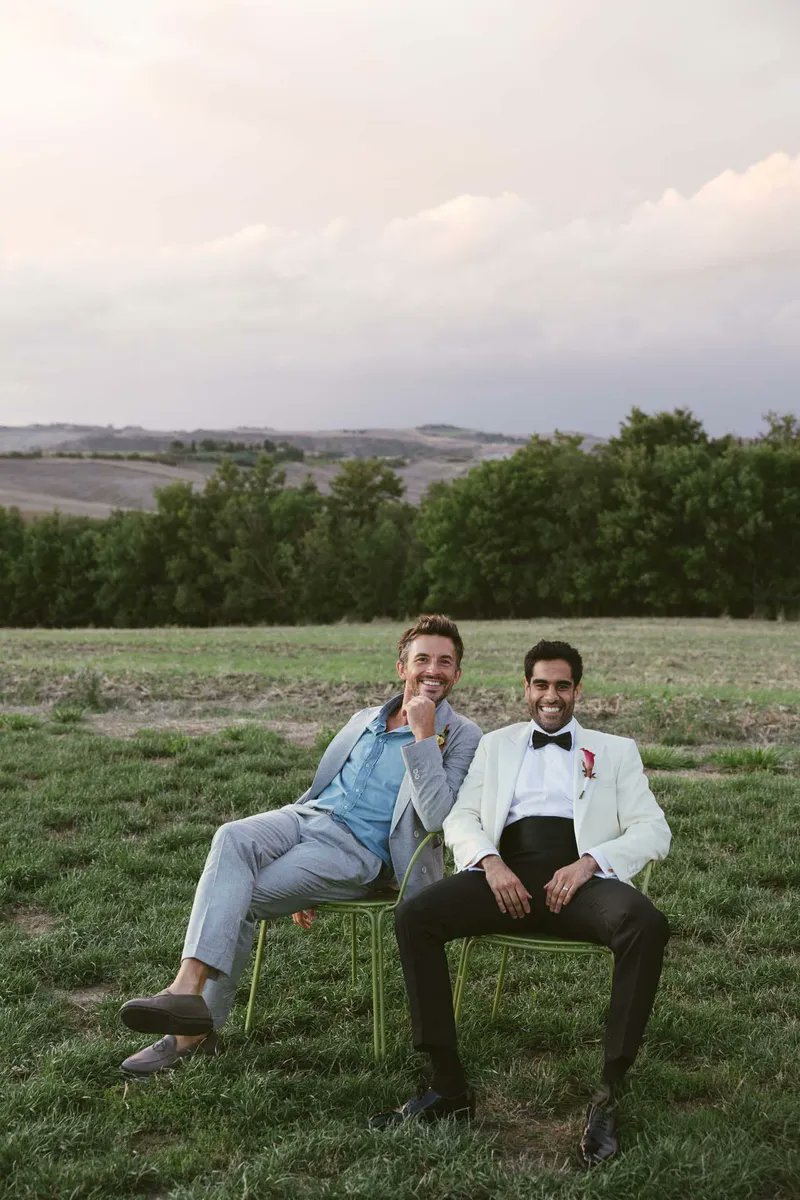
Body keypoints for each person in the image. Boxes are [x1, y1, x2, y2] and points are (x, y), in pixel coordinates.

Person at [119, 614, 482, 1077]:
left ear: (457, 674)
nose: (433, 670)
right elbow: (325, 787)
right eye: (423, 659)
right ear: (401, 668)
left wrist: (424, 736)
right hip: (305, 817)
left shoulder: (464, 735)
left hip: (358, 851)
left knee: (239, 896)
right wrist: (291, 844)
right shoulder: (364, 718)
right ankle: (186, 991)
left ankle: (192, 1030)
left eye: (445, 662)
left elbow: (435, 817)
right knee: (231, 835)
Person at [371, 638, 670, 1168]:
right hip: (504, 875)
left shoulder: (616, 750)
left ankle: (608, 1093)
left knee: (646, 924)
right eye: (541, 685)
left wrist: (590, 863)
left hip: (580, 880)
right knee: (415, 915)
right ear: (526, 688)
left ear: (578, 690)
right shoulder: (497, 745)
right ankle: (447, 1086)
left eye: (562, 686)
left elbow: (653, 830)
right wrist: (489, 861)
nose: (551, 696)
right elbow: (462, 816)